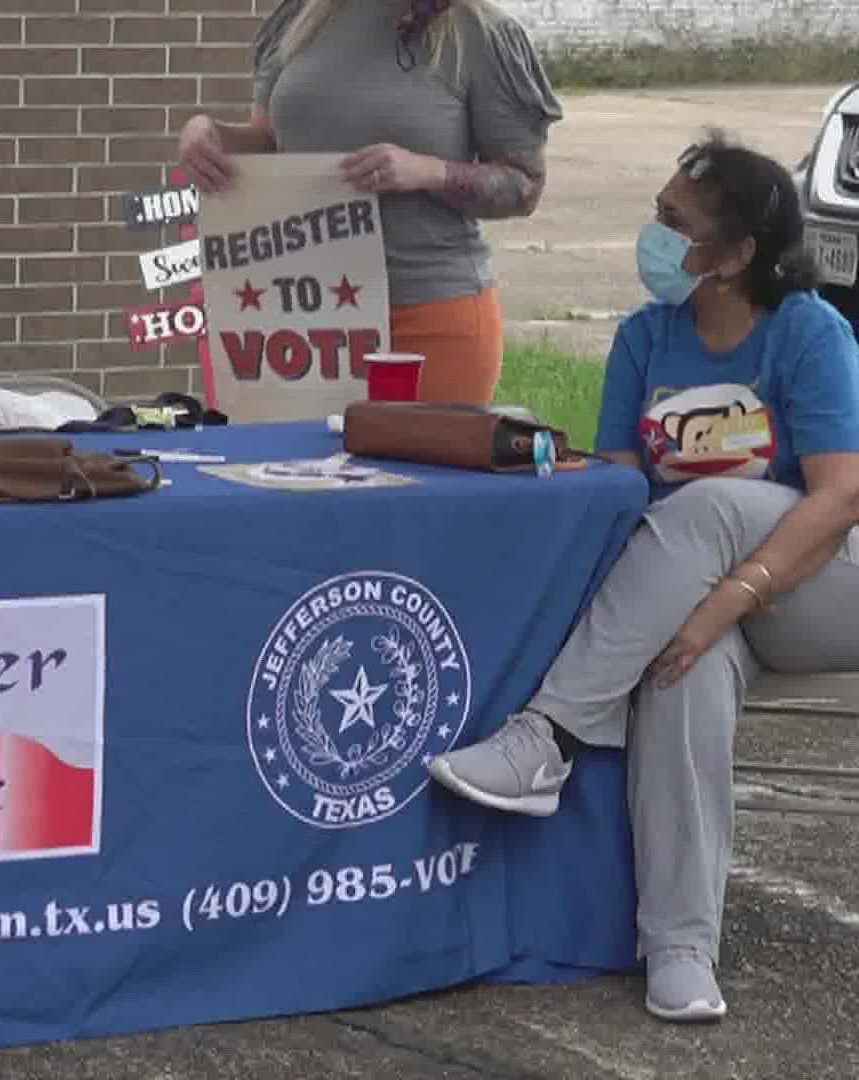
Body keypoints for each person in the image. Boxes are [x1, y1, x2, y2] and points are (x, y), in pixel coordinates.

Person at [427, 136, 859, 1022]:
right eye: (657, 213)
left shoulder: (808, 332)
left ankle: (548, 734)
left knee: (705, 510)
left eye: (675, 222)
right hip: (695, 603)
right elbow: (625, 492)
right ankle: (681, 950)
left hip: (819, 585)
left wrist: (729, 599)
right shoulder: (644, 338)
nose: (653, 235)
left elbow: (841, 497)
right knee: (679, 677)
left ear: (737, 256)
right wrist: (696, 622)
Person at [177, 0, 562, 405]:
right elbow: (270, 141)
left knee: (424, 469)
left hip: (428, 315)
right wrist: (210, 136)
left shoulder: (480, 32)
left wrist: (428, 172)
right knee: (294, 467)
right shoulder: (302, 16)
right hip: (301, 318)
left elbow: (525, 186)